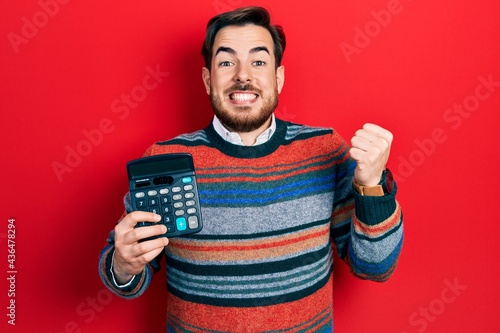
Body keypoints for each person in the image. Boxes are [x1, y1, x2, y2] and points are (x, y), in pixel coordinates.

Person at [99, 6, 404, 332]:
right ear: (207, 79)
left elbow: (376, 266)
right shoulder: (165, 159)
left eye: (258, 62)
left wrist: (372, 185)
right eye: (226, 62)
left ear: (279, 78)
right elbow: (125, 278)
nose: (243, 75)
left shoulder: (325, 149)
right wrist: (123, 263)